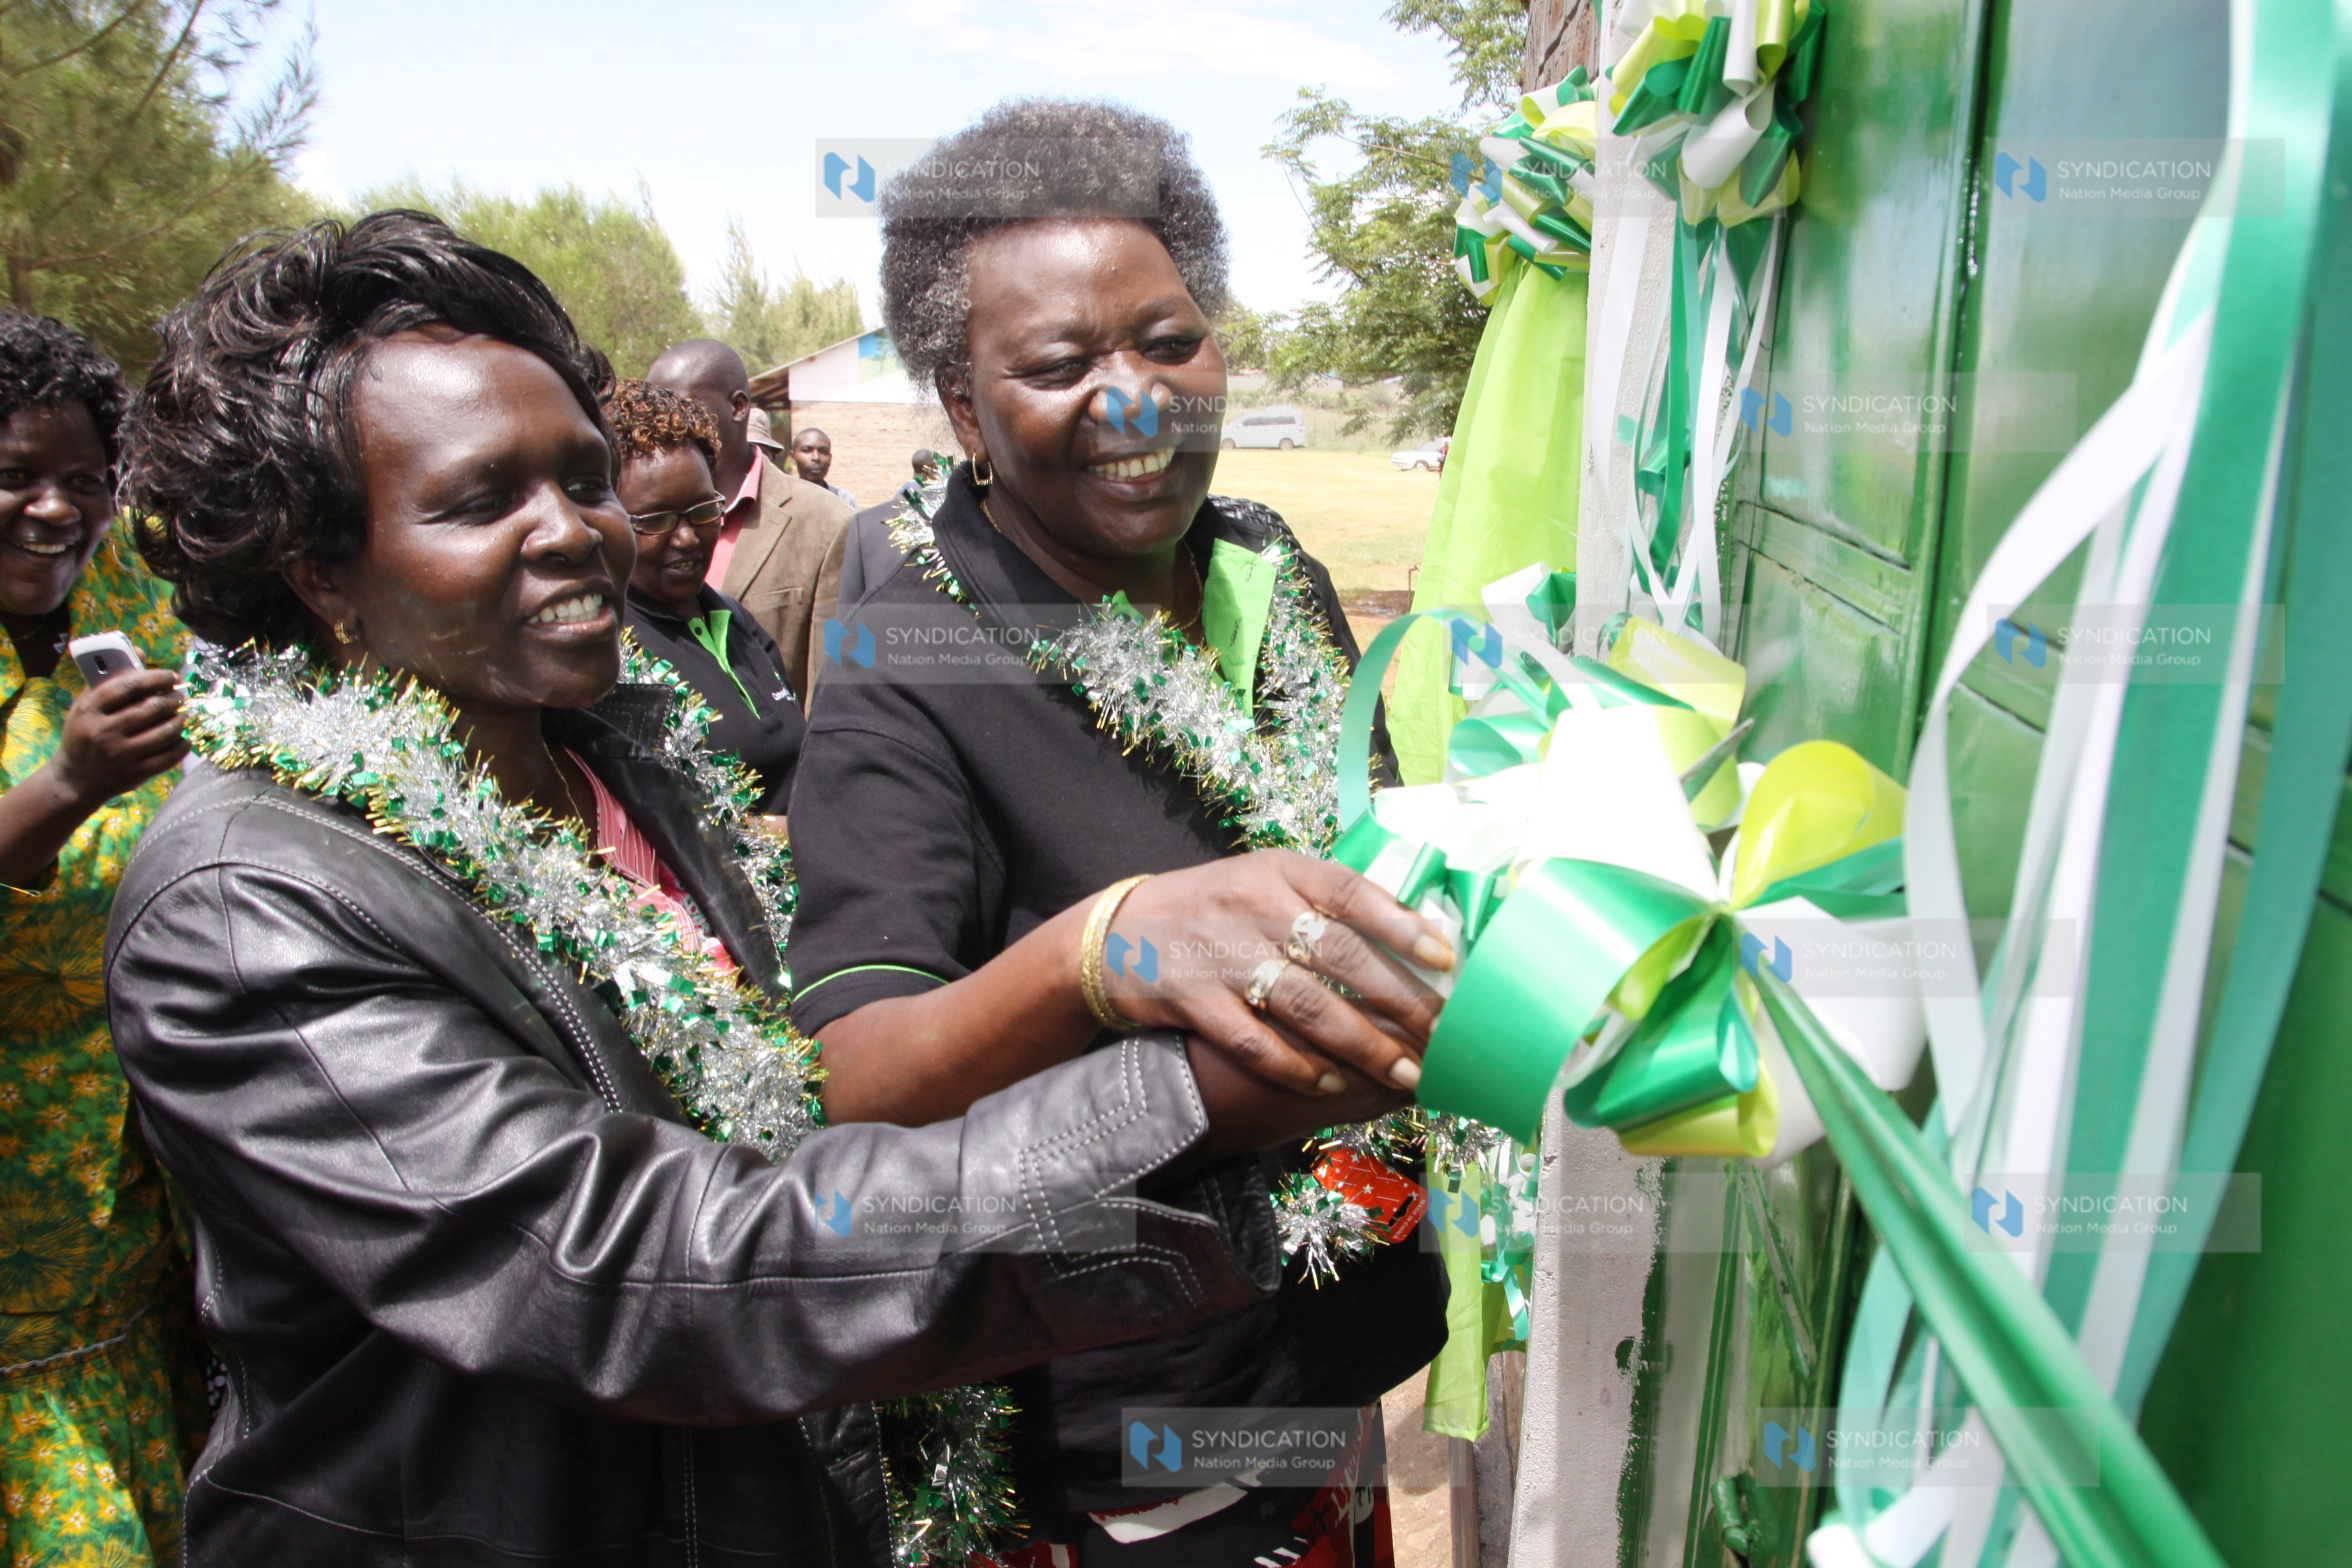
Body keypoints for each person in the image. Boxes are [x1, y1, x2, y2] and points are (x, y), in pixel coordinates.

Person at [106, 210, 1448, 1568]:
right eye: (479, 501)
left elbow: (799, 1123)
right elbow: (653, 1270)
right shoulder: (243, 909)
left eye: (583, 480)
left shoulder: (627, 755)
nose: (573, 533)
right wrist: (1185, 1096)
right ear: (317, 567)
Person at [787, 100, 1448, 1566]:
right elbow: (849, 1083)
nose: (1139, 401)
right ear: (963, 409)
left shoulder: (1270, 570)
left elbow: (1375, 868)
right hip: (1124, 1432)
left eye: (1168, 341)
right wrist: (1100, 952)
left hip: (1328, 1348)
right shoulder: (911, 661)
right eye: (1061, 365)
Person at [0, 310, 207, 1565]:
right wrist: (61, 789)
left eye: (81, 479)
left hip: (144, 1222)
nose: (50, 510)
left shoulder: (119, 594)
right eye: (14, 476)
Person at [604, 377, 801, 823]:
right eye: (658, 520)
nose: (688, 537)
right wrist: (775, 835)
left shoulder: (734, 621)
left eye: (702, 511)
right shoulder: (615, 651)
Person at [646, 339, 850, 710]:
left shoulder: (826, 524)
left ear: (738, 406)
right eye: (657, 412)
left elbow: (832, 689)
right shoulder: (635, 522)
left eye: (682, 408)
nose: (667, 425)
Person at [790, 426, 858, 509]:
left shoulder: (844, 500)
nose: (816, 457)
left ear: (830, 458)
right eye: (807, 450)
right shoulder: (783, 499)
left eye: (824, 451)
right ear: (793, 457)